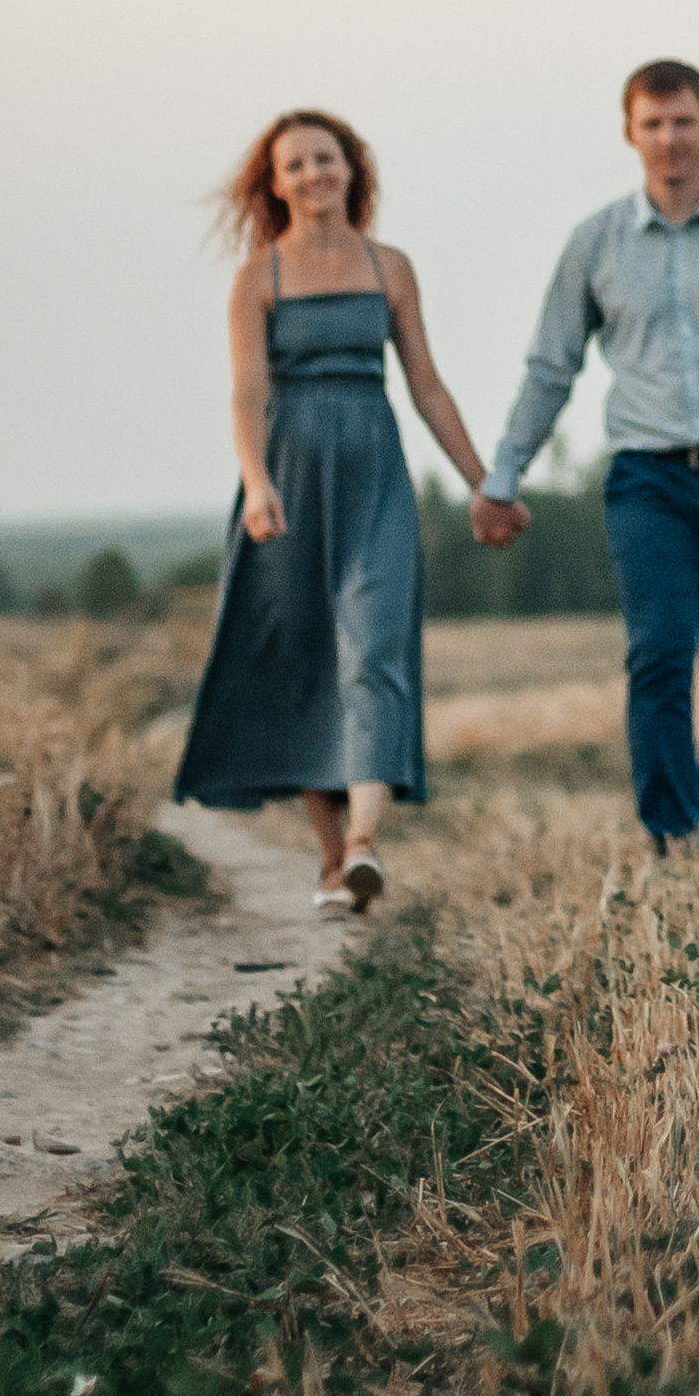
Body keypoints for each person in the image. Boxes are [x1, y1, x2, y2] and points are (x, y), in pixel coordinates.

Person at [473, 60, 699, 848]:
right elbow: (551, 367)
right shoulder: (594, 243)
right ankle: (676, 837)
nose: (669, 138)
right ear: (629, 132)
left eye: (682, 121)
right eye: (653, 124)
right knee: (660, 655)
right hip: (648, 480)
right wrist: (503, 476)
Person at [175, 110, 513, 911]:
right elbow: (247, 393)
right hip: (288, 481)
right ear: (275, 183)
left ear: (352, 167)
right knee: (304, 660)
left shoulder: (389, 266)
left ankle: (363, 841)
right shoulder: (258, 276)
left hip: (374, 474)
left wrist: (485, 483)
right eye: (295, 165)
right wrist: (257, 482)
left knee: (374, 649)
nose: (313, 174)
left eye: (325, 159)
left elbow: (427, 386)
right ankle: (334, 861)